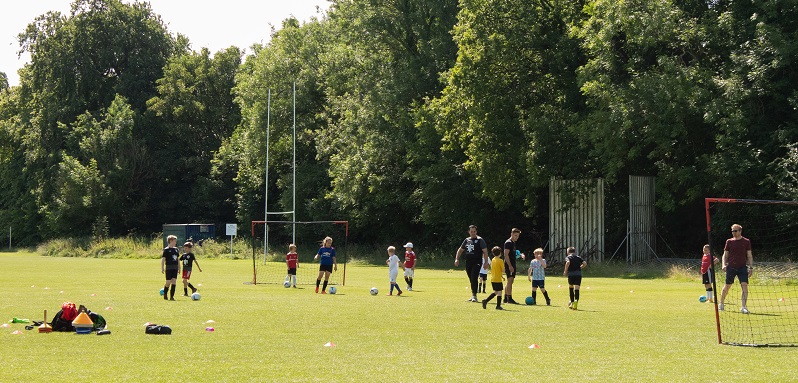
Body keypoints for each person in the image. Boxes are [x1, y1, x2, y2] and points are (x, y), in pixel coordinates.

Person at [719, 224, 754, 314]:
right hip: (731, 267)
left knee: (744, 285)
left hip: (742, 267)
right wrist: (723, 265)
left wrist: (751, 268)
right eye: (732, 231)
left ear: (740, 231)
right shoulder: (729, 241)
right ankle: (721, 303)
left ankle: (743, 307)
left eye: (735, 231)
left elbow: (749, 255)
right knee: (727, 286)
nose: (733, 232)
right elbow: (725, 255)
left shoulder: (746, 241)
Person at [454, 225, 490, 302]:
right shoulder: (466, 240)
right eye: (471, 231)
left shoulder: (480, 240)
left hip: (477, 262)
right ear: (469, 232)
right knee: (471, 279)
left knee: (474, 277)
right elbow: (460, 250)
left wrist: (486, 262)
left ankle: (474, 296)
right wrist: (457, 259)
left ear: (476, 232)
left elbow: (485, 251)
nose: (473, 233)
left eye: (474, 231)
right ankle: (473, 295)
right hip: (468, 262)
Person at [502, 228, 522, 304]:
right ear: (512, 234)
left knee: (510, 281)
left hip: (513, 263)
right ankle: (509, 298)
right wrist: (510, 265)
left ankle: (505, 297)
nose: (517, 237)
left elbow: (513, 254)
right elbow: (506, 254)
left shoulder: (513, 243)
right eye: (515, 235)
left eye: (518, 236)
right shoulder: (508, 243)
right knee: (510, 280)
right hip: (509, 264)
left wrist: (520, 255)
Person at [161, 235, 180, 301]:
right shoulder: (166, 250)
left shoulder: (176, 249)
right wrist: (162, 267)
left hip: (175, 268)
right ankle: (165, 293)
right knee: (168, 282)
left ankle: (172, 296)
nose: (175, 242)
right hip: (169, 268)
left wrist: (179, 268)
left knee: (174, 281)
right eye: (174, 241)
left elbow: (178, 259)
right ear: (171, 241)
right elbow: (163, 259)